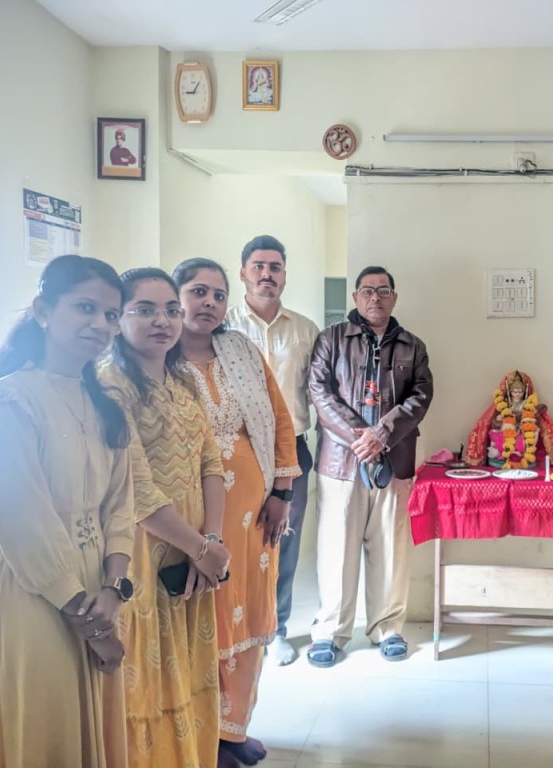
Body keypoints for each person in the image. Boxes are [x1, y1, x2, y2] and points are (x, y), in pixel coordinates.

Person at [0, 255, 133, 768]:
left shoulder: (104, 403)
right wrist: (92, 623)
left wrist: (114, 587)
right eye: (85, 308)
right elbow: (23, 521)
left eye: (110, 314)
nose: (100, 324)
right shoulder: (7, 402)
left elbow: (120, 505)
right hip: (36, 590)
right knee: (45, 729)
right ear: (43, 310)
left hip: (99, 589)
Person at [100, 268, 230, 768]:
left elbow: (211, 462)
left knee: (192, 670)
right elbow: (135, 487)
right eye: (146, 310)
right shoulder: (111, 386)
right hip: (141, 554)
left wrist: (211, 541)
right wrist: (200, 548)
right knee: (148, 682)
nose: (163, 321)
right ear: (119, 318)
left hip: (196, 554)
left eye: (171, 310)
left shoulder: (184, 380)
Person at [174, 258, 301, 767]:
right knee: (207, 614)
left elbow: (280, 420)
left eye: (218, 295)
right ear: (175, 298)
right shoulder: (158, 360)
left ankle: (234, 728)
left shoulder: (242, 351)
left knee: (249, 610)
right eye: (197, 291)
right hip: (192, 516)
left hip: (255, 512)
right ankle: (202, 733)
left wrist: (282, 492)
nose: (209, 303)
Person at [306, 266, 433, 667]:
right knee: (336, 550)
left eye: (383, 290)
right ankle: (330, 632)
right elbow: (319, 391)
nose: (375, 297)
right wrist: (361, 437)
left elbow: (421, 396)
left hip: (394, 461)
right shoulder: (330, 339)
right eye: (366, 290)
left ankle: (388, 628)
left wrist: (382, 434)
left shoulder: (413, 346)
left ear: (394, 297)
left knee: (391, 549)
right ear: (355, 297)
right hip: (340, 463)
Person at [227, 234, 320, 666]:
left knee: (282, 541)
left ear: (284, 275)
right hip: (237, 451)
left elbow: (318, 391)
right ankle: (237, 628)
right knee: (237, 539)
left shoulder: (305, 330)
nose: (267, 274)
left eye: (275, 267)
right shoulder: (225, 328)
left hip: (292, 452)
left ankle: (276, 629)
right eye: (259, 266)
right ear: (243, 272)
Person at [464, 369, 553, 468]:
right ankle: (505, 455)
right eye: (515, 392)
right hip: (508, 426)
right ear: (510, 392)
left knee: (535, 430)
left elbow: (534, 413)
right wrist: (500, 418)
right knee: (499, 430)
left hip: (523, 425)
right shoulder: (505, 403)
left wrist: (532, 413)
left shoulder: (526, 403)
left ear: (524, 392)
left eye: (520, 392)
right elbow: (495, 418)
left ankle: (524, 455)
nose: (517, 394)